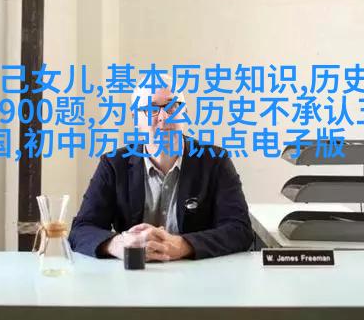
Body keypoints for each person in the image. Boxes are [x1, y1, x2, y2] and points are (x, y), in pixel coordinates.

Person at [68, 76, 254, 260]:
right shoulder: (113, 165)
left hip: (200, 274)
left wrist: (182, 245)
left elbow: (240, 230)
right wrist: (119, 244)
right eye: (151, 109)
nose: (164, 117)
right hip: (133, 273)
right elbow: (81, 230)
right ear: (135, 118)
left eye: (173, 106)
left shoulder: (215, 161)